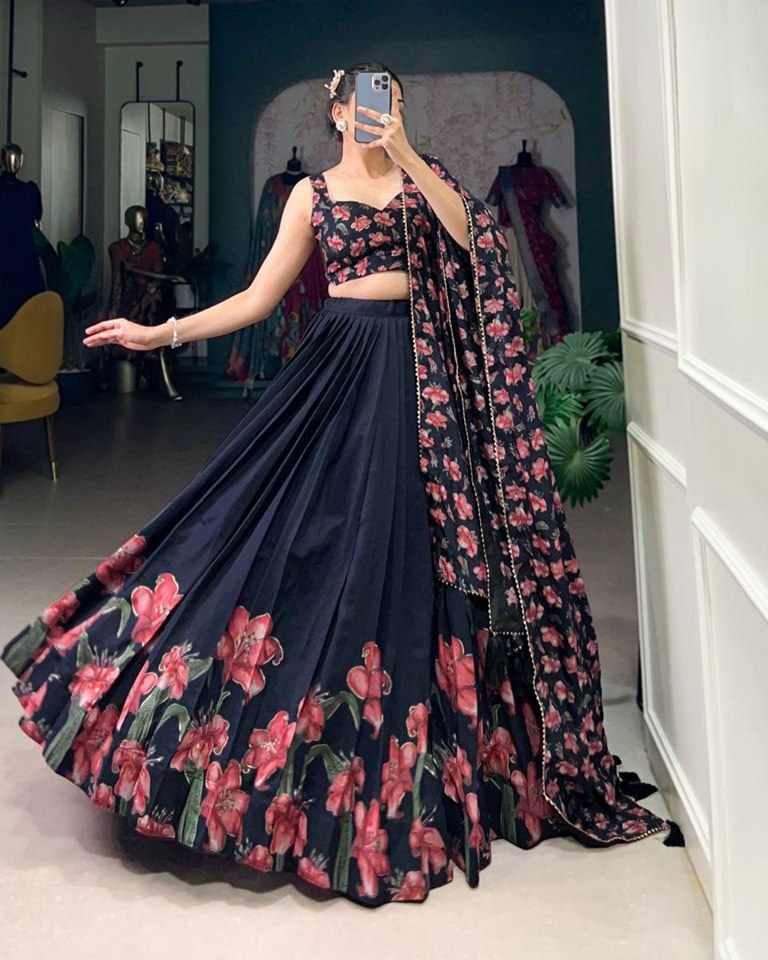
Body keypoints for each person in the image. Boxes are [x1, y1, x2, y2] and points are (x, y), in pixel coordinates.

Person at [1, 61, 683, 908]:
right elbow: (257, 299)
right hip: (338, 367)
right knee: (289, 526)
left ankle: (419, 745)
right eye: (360, 101)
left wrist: (410, 153)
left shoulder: (423, 183)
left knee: (418, 546)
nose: (373, 112)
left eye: (389, 99)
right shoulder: (312, 195)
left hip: (421, 383)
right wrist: (161, 333)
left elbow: (473, 242)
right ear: (334, 112)